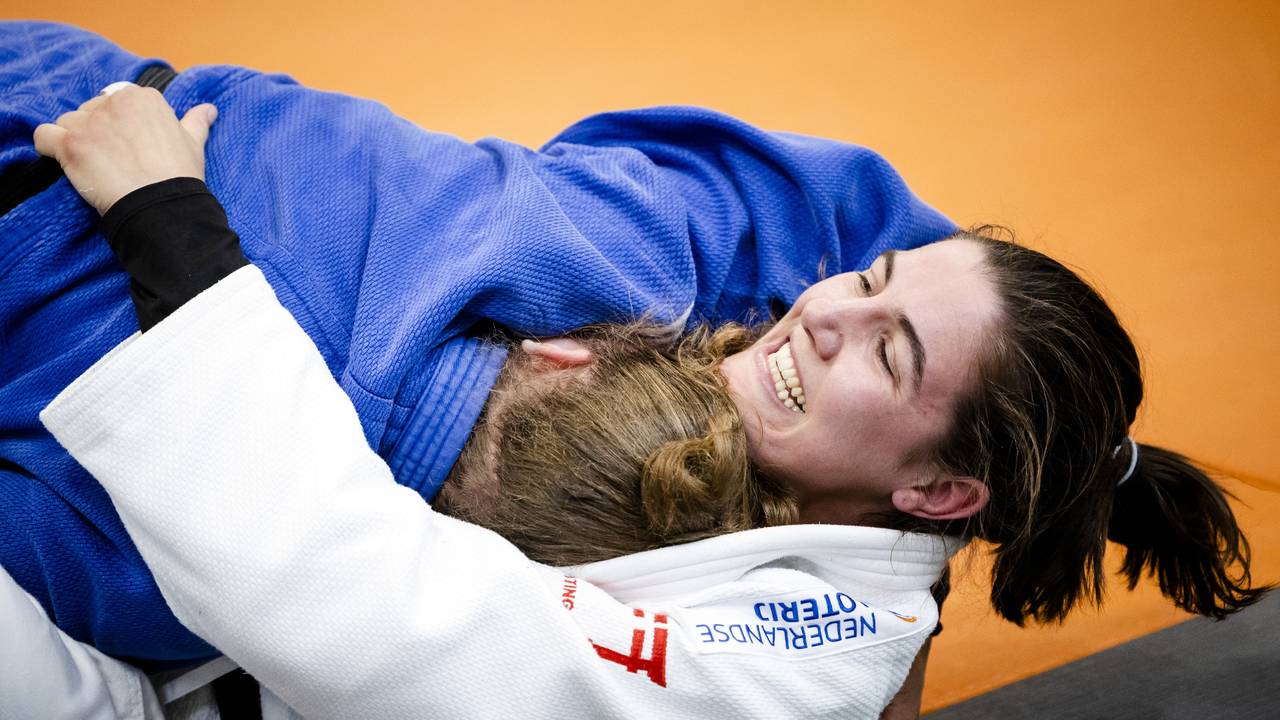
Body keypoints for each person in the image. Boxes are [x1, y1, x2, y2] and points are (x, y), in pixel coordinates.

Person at [31, 75, 1271, 720]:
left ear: (937, 490)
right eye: (869, 283)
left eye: (885, 352)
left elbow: (369, 622)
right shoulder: (780, 350)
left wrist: (169, 227)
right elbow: (852, 240)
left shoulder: (806, 667)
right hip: (197, 137)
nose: (824, 308)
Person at [0, 21, 957, 667]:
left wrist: (1077, 461)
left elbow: (818, 211)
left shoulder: (574, 244)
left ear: (566, 352)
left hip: (72, 90)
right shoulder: (167, 579)